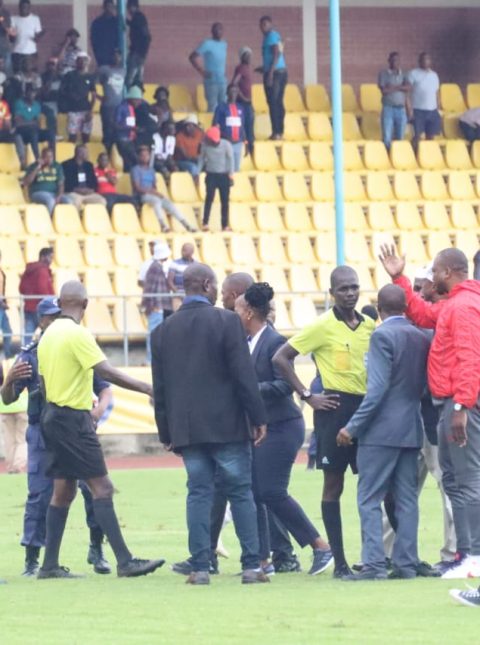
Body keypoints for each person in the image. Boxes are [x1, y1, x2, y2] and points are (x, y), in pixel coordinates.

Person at [172, 271, 300, 577]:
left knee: (255, 491)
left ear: (240, 299)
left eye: (227, 295)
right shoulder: (235, 332)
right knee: (246, 491)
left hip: (267, 424)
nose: (223, 300)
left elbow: (263, 383)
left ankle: (267, 556)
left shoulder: (263, 337)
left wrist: (255, 411)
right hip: (244, 423)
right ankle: (246, 557)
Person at [36, 281, 164, 579]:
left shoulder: (47, 335)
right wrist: (147, 388)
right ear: (85, 304)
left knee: (63, 490)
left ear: (60, 303)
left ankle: (49, 565)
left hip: (51, 415)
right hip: (72, 419)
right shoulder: (77, 334)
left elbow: (42, 384)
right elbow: (105, 371)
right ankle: (125, 561)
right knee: (102, 487)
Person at [152, 263, 269, 585]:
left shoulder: (162, 331)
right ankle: (251, 566)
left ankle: (200, 568)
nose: (217, 291)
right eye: (215, 285)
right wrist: (258, 417)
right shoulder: (227, 321)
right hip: (228, 425)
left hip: (188, 429)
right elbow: (243, 375)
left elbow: (160, 388)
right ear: (206, 284)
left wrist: (166, 432)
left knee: (198, 493)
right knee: (240, 492)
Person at [379, 244, 480, 580]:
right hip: (449, 402)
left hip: (459, 402)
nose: (432, 276)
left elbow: (470, 358)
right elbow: (422, 314)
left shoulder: (464, 306)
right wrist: (399, 278)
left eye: (435, 270)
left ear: (448, 272)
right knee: (453, 479)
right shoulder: (455, 303)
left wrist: (462, 405)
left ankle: (474, 556)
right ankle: (464, 555)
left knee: (467, 480)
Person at [272, 266, 376, 578]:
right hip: (334, 408)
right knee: (334, 484)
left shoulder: (370, 325)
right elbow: (281, 357)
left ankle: (379, 559)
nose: (350, 293)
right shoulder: (322, 326)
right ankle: (339, 563)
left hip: (366, 409)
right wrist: (307, 395)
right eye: (343, 288)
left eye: (354, 287)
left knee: (375, 484)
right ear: (332, 293)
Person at [0, 297, 111, 576]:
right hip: (41, 431)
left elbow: (103, 386)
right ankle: (32, 559)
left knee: (91, 490)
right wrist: (9, 380)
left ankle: (97, 549)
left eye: (58, 315)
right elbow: (8, 398)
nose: (55, 320)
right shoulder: (29, 356)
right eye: (50, 316)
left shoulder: (74, 343)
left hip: (74, 429)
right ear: (41, 321)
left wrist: (98, 410)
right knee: (40, 493)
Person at [235, 282, 334, 576]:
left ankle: (320, 546)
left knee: (271, 490)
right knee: (256, 492)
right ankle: (263, 561)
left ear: (249, 312)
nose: (233, 315)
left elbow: (282, 386)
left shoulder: (274, 341)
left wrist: (248, 388)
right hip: (263, 427)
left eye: (236, 310)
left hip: (282, 426)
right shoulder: (248, 342)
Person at [337, 285, 430, 581]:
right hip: (411, 428)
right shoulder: (421, 336)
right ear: (405, 307)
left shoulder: (381, 336)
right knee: (407, 500)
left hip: (380, 432)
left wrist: (352, 427)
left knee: (369, 498)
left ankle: (374, 564)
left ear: (379, 309)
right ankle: (406, 563)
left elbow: (376, 390)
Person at [131, 145, 194, 233]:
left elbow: (153, 186)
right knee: (156, 201)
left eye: (147, 155)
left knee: (169, 203)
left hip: (152, 194)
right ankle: (163, 225)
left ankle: (186, 224)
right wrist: (153, 192)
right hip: (142, 195)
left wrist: (155, 192)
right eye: (143, 155)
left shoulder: (151, 170)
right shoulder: (136, 170)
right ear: (139, 157)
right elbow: (137, 188)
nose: (145, 157)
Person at [257, 16, 287, 141]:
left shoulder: (271, 36)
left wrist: (270, 72)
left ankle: (276, 132)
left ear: (270, 24)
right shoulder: (274, 36)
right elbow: (278, 53)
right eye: (261, 25)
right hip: (279, 72)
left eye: (265, 24)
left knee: (274, 103)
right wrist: (264, 68)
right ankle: (279, 131)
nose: (263, 27)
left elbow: (276, 53)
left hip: (275, 74)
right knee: (277, 102)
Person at [198, 126, 234, 232]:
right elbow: (201, 159)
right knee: (209, 199)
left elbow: (230, 160)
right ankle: (205, 223)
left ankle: (224, 225)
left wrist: (231, 174)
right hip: (211, 175)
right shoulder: (205, 146)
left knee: (225, 201)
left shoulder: (226, 145)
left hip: (224, 175)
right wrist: (197, 172)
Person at [141, 241, 171, 365]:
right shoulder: (156, 268)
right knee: (153, 334)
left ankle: (153, 359)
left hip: (157, 306)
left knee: (156, 333)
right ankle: (150, 360)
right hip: (156, 306)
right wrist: (151, 305)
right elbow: (150, 288)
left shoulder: (155, 267)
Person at [59, 52, 96, 144]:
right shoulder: (69, 75)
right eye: (80, 60)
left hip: (86, 109)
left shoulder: (90, 77)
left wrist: (90, 111)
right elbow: (62, 91)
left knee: (86, 136)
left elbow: (94, 94)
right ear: (76, 61)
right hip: (73, 109)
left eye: (85, 60)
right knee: (72, 136)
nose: (83, 62)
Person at [19, 247, 54, 345]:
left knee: (28, 335)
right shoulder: (43, 271)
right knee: (47, 332)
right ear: (43, 257)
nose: (51, 260)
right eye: (50, 257)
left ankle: (25, 353)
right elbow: (43, 289)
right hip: (41, 308)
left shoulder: (28, 270)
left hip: (28, 307)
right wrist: (51, 303)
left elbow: (21, 288)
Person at [13, 85, 54, 170]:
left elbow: (37, 123)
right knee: (33, 132)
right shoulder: (19, 103)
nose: (32, 94)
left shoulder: (37, 105)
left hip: (34, 131)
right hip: (22, 132)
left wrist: (26, 121)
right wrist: (31, 122)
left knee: (50, 133)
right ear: (25, 93)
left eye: (34, 92)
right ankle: (38, 160)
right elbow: (18, 123)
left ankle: (52, 160)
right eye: (30, 92)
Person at [189, 23, 227, 113]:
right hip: (211, 80)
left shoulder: (224, 44)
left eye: (220, 29)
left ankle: (222, 122)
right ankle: (211, 122)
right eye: (216, 29)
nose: (219, 31)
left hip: (222, 80)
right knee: (212, 106)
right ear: (212, 31)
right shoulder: (207, 43)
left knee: (224, 106)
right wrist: (201, 71)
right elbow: (192, 57)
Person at [407, 52, 441, 149]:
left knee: (431, 136)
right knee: (417, 136)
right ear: (419, 61)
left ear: (430, 61)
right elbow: (407, 93)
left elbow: (437, 92)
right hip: (418, 110)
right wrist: (409, 109)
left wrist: (438, 107)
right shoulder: (413, 73)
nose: (426, 61)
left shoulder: (434, 75)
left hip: (432, 110)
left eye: (428, 59)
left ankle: (427, 154)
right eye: (423, 59)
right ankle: (414, 154)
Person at [24, 146, 70, 216]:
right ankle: (47, 220)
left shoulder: (57, 166)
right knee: (50, 201)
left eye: (51, 156)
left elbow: (61, 184)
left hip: (54, 193)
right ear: (42, 157)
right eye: (46, 157)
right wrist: (38, 167)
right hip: (37, 193)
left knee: (69, 201)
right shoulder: (33, 166)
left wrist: (59, 196)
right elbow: (26, 182)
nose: (49, 159)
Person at [0, 358, 28, 473]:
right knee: (21, 439)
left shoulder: (3, 363)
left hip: (5, 407)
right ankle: (18, 466)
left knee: (9, 440)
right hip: (22, 406)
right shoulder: (23, 361)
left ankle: (11, 466)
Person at [378, 51, 409, 150]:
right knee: (387, 137)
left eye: (398, 60)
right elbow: (384, 91)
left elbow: (408, 87)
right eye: (394, 60)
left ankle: (397, 156)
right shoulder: (383, 74)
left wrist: (393, 87)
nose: (396, 62)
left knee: (400, 137)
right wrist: (400, 87)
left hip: (401, 109)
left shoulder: (404, 74)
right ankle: (386, 156)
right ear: (389, 61)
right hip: (388, 109)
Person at [62, 144, 107, 210]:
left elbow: (94, 181)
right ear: (80, 154)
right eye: (86, 153)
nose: (88, 155)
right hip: (74, 193)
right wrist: (76, 190)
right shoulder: (66, 165)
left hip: (88, 193)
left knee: (102, 201)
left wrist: (91, 190)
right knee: (76, 202)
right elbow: (65, 183)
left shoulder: (89, 165)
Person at [213, 84, 245, 172]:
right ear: (227, 93)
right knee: (226, 168)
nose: (233, 94)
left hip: (238, 143)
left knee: (236, 169)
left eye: (235, 91)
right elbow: (215, 125)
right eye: (231, 91)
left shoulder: (241, 108)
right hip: (226, 143)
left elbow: (242, 125)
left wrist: (245, 141)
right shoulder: (221, 107)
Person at [98, 48, 125, 151]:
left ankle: (115, 153)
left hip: (119, 106)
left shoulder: (123, 71)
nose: (116, 57)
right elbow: (93, 84)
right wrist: (99, 97)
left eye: (118, 55)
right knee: (108, 131)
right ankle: (106, 152)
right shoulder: (103, 69)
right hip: (108, 106)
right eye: (114, 55)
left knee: (117, 131)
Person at [114, 85, 144, 171]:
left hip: (131, 139)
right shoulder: (121, 108)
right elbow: (116, 125)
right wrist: (131, 128)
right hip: (123, 139)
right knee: (133, 160)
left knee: (132, 162)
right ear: (131, 99)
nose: (139, 102)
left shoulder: (132, 108)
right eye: (137, 100)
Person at [10, 0, 44, 73]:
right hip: (17, 52)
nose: (23, 9)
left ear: (29, 8)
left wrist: (39, 37)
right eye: (22, 7)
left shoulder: (35, 19)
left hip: (31, 52)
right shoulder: (13, 19)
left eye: (26, 7)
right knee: (17, 74)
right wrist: (12, 34)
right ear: (19, 7)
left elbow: (38, 37)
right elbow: (11, 39)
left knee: (31, 74)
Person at [232, 46, 254, 155]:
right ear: (242, 57)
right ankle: (248, 149)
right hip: (243, 103)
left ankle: (250, 149)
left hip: (248, 102)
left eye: (250, 55)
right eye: (247, 55)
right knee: (246, 128)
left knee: (250, 127)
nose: (249, 57)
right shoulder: (241, 68)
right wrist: (243, 97)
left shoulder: (248, 68)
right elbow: (234, 84)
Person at [125, 0, 151, 89]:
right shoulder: (137, 18)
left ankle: (132, 94)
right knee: (136, 76)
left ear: (134, 7)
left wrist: (142, 53)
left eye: (129, 7)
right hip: (137, 52)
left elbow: (146, 36)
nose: (128, 10)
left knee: (131, 77)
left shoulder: (139, 17)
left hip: (138, 52)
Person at [90, 0, 120, 69]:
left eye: (111, 7)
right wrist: (98, 54)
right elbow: (93, 40)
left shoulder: (116, 22)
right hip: (102, 56)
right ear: (104, 7)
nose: (109, 9)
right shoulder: (97, 22)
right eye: (107, 6)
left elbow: (120, 39)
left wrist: (117, 53)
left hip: (114, 56)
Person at [0, 251, 12, 359]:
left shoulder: (1, 271)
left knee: (8, 332)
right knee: (7, 331)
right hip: (1, 306)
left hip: (1, 307)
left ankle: (5, 355)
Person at [0, 0, 12, 74]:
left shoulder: (6, 13)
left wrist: (1, 19)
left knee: (6, 67)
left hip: (3, 43)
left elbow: (8, 29)